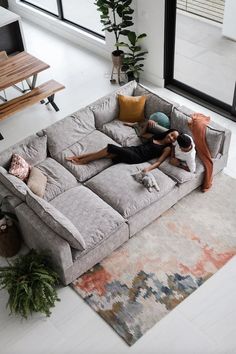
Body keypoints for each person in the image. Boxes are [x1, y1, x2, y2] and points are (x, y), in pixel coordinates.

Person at [66, 129, 179, 173]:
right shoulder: (157, 136)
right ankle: (80, 157)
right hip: (133, 150)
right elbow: (142, 134)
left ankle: (83, 160)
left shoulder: (167, 148)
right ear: (169, 132)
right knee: (108, 153)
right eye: (172, 134)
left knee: (110, 148)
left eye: (174, 138)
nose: (172, 137)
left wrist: (148, 168)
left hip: (136, 158)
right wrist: (149, 123)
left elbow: (158, 162)